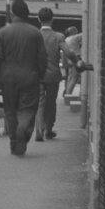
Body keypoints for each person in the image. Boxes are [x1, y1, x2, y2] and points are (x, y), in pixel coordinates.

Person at [0, 0, 46, 156]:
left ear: (12, 13)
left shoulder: (3, 32)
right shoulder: (35, 33)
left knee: (10, 111)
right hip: (30, 77)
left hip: (8, 78)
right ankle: (22, 130)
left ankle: (15, 143)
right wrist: (40, 74)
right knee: (27, 109)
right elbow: (42, 58)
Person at [35, 7, 77, 141]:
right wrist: (77, 61)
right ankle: (48, 129)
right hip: (53, 75)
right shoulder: (58, 36)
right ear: (52, 19)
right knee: (51, 103)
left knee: (39, 102)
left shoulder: (34, 34)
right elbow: (69, 52)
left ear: (38, 19)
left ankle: (39, 130)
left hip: (37, 74)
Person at [62, 26, 83, 102]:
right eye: (75, 31)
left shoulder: (67, 39)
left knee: (70, 78)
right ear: (73, 32)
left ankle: (67, 95)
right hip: (75, 59)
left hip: (69, 60)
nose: (77, 32)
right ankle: (68, 95)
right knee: (74, 78)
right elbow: (84, 34)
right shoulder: (75, 38)